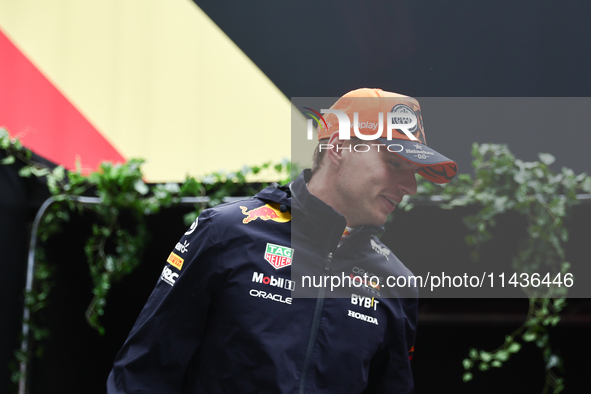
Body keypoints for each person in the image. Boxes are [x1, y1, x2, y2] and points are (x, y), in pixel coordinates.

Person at [107, 88, 457, 393]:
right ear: (338, 147)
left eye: (413, 174)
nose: (409, 187)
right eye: (395, 164)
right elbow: (143, 373)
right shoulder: (227, 231)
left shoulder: (396, 282)